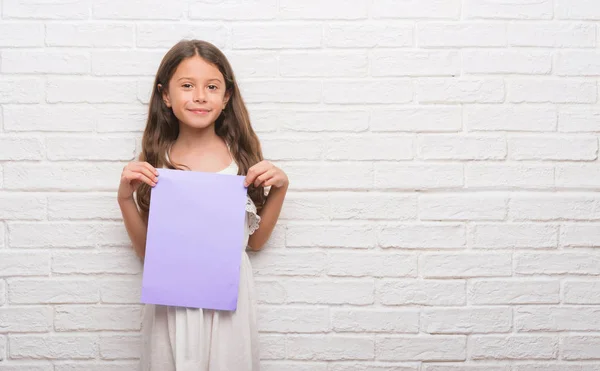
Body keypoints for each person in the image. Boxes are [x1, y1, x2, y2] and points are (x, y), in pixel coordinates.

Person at [117, 39, 288, 371]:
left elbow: (254, 242)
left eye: (211, 86)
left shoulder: (240, 162)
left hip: (228, 305)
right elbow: (146, 252)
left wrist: (280, 190)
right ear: (165, 95)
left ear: (226, 97)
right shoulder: (157, 163)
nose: (199, 96)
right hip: (172, 307)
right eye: (186, 86)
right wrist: (125, 198)